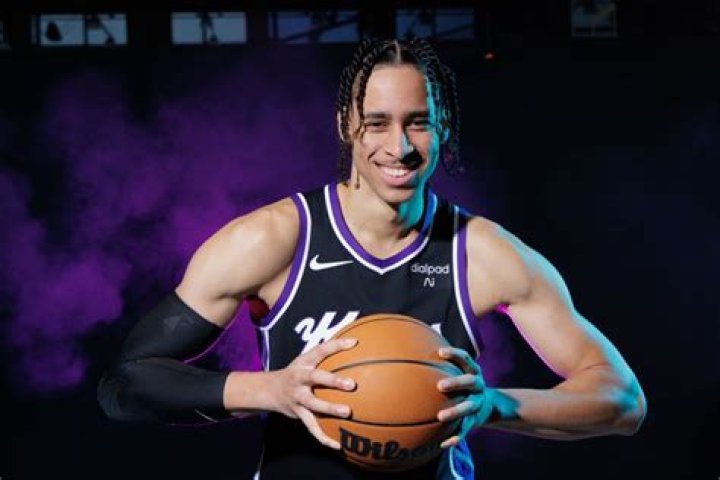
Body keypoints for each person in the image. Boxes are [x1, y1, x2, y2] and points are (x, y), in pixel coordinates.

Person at [97, 38, 646, 479]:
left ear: (444, 126)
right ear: (345, 125)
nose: (399, 146)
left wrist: (493, 406)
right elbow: (126, 384)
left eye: (418, 122)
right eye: (377, 122)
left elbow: (622, 399)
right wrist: (270, 390)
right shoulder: (272, 240)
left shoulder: (483, 253)